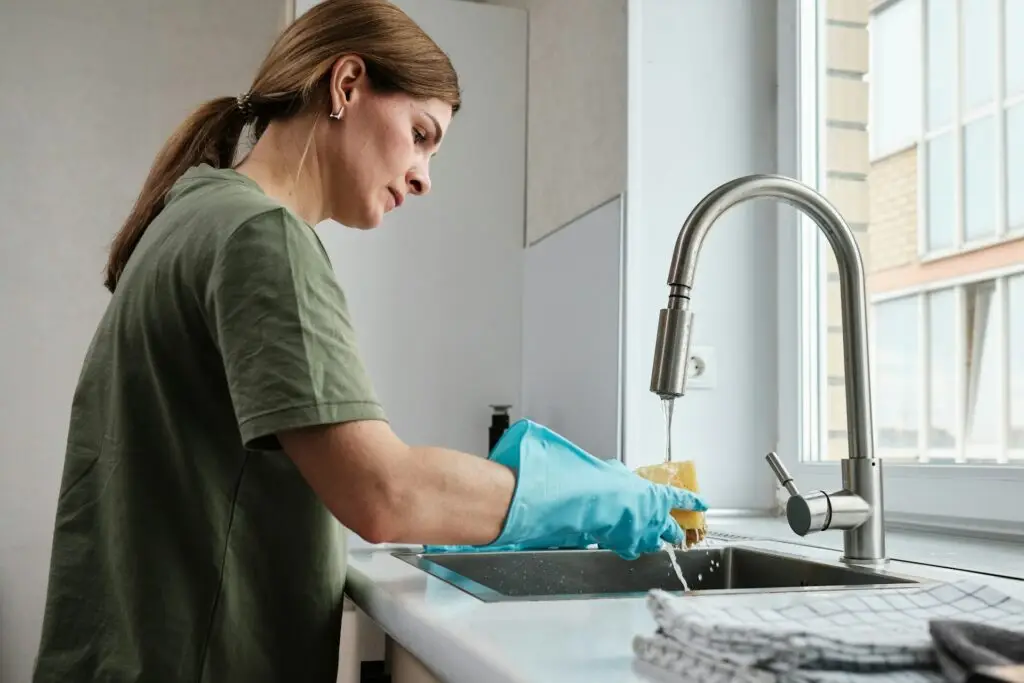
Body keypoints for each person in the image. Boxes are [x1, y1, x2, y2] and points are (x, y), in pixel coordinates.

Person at [32, 1, 707, 682]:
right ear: (346, 85)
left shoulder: (193, 212)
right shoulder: (261, 238)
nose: (424, 176)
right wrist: (590, 495)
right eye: (419, 133)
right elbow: (384, 493)